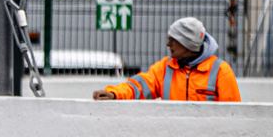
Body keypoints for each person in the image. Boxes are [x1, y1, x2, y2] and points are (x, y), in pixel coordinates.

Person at [94, 17, 240, 102]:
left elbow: (233, 114)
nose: (168, 44)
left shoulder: (220, 71)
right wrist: (114, 94)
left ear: (187, 43)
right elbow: (137, 87)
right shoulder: (165, 68)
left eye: (172, 40)